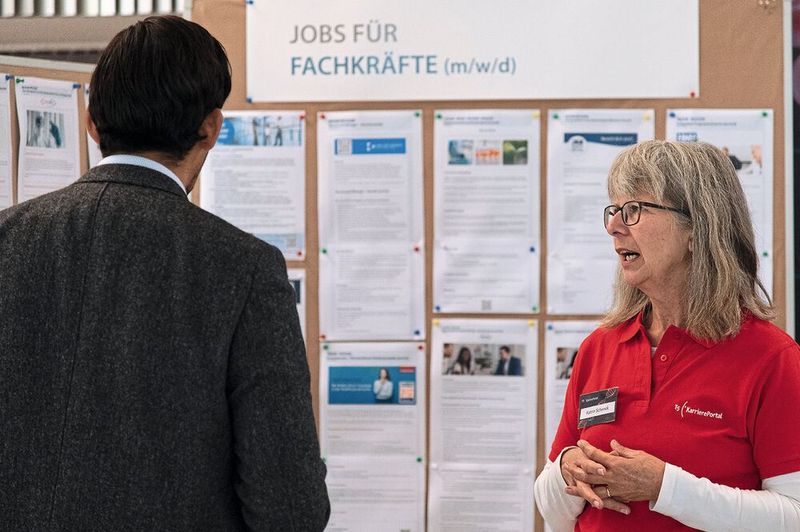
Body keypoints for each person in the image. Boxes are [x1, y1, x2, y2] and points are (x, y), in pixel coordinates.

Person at [0, 16, 329, 531]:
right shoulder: (244, 269)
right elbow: (289, 508)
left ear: (90, 120)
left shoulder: (7, 238)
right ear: (213, 128)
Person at [534, 140, 800, 531]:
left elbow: (793, 516)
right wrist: (565, 469)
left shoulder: (771, 358)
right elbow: (553, 514)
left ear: (697, 229)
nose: (613, 226)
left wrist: (664, 487)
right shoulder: (600, 347)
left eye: (634, 210)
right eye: (614, 210)